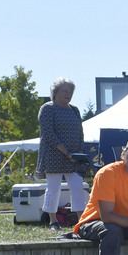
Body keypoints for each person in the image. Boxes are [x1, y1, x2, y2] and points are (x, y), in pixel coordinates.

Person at [37, 77, 88, 227]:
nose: (68, 94)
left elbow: (80, 131)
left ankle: (82, 220)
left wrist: (79, 151)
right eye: (65, 91)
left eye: (70, 91)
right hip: (53, 155)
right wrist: (66, 153)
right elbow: (48, 133)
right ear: (55, 92)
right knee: (53, 188)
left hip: (74, 157)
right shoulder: (47, 108)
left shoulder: (74, 110)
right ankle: (53, 220)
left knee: (78, 187)